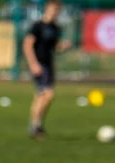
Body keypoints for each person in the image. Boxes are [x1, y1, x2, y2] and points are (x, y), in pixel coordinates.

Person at [22, 0, 71, 140]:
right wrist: (33, 64)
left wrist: (62, 46)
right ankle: (35, 126)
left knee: (40, 97)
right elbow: (27, 45)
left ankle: (36, 126)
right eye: (53, 10)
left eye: (57, 11)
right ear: (47, 9)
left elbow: (54, 46)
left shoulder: (55, 28)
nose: (55, 13)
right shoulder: (37, 26)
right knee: (48, 94)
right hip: (39, 64)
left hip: (49, 65)